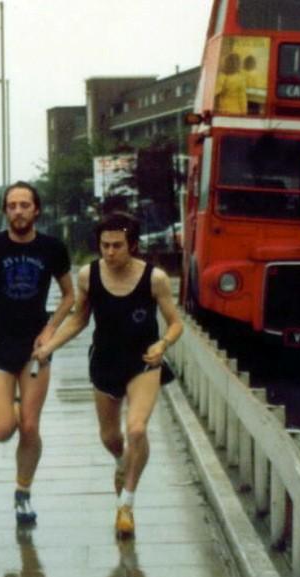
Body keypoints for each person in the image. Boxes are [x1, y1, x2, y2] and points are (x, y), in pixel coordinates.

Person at [32, 211, 183, 538]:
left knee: (137, 429)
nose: (110, 252)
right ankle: (120, 462)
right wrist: (49, 346)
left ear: (132, 245)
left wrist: (164, 344)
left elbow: (176, 322)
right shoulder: (89, 276)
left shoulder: (154, 279)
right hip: (105, 361)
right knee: (111, 438)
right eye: (105, 245)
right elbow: (79, 319)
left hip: (144, 361)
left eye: (117, 245)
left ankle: (126, 505)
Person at [0, 181, 74, 526]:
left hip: (35, 348)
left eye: (24, 205)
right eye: (12, 205)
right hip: (0, 345)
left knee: (30, 426)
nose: (18, 211)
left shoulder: (52, 248)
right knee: (1, 431)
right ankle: (13, 403)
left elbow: (70, 297)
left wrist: (50, 329)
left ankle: (23, 493)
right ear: (5, 210)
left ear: (36, 209)